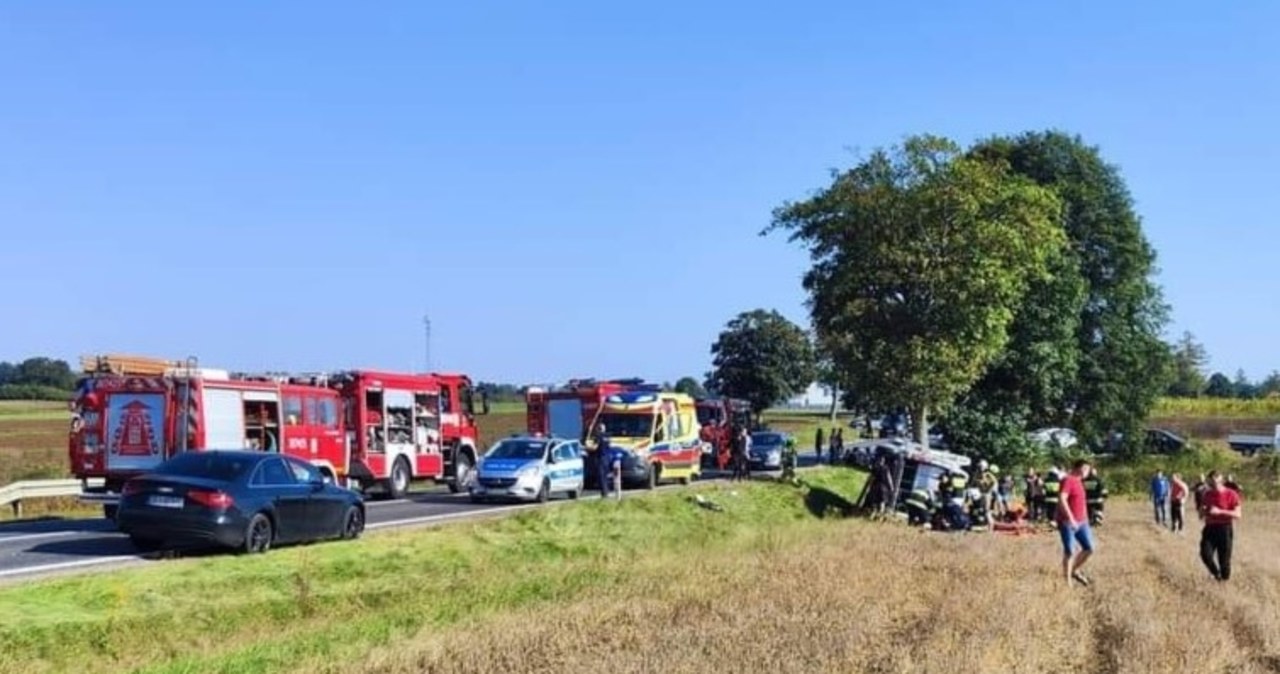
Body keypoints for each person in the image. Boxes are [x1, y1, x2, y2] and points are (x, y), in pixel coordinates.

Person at [1057, 459, 1096, 588]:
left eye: (1089, 469)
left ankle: (1073, 570)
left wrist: (1086, 518)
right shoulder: (1068, 480)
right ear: (1079, 468)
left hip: (1082, 522)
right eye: (1086, 469)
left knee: (1090, 548)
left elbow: (1081, 503)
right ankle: (1067, 582)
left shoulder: (1080, 482)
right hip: (1068, 522)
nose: (1088, 472)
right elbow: (1062, 499)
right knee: (1069, 551)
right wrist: (1071, 518)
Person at [1199, 471, 1242, 582]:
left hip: (1224, 528)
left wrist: (1220, 511)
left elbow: (1238, 514)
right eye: (1211, 482)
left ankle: (1224, 581)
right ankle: (1216, 573)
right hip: (1210, 528)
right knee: (1205, 554)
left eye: (1215, 482)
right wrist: (1202, 511)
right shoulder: (1207, 494)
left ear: (1221, 481)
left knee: (1224, 561)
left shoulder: (1231, 494)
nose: (1213, 485)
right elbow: (1201, 513)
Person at [592, 422, 612, 498]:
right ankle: (607, 492)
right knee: (605, 476)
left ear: (598, 429)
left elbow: (595, 447)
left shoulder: (598, 436)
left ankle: (604, 494)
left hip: (600, 458)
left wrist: (586, 447)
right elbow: (609, 446)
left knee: (601, 477)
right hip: (607, 458)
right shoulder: (608, 436)